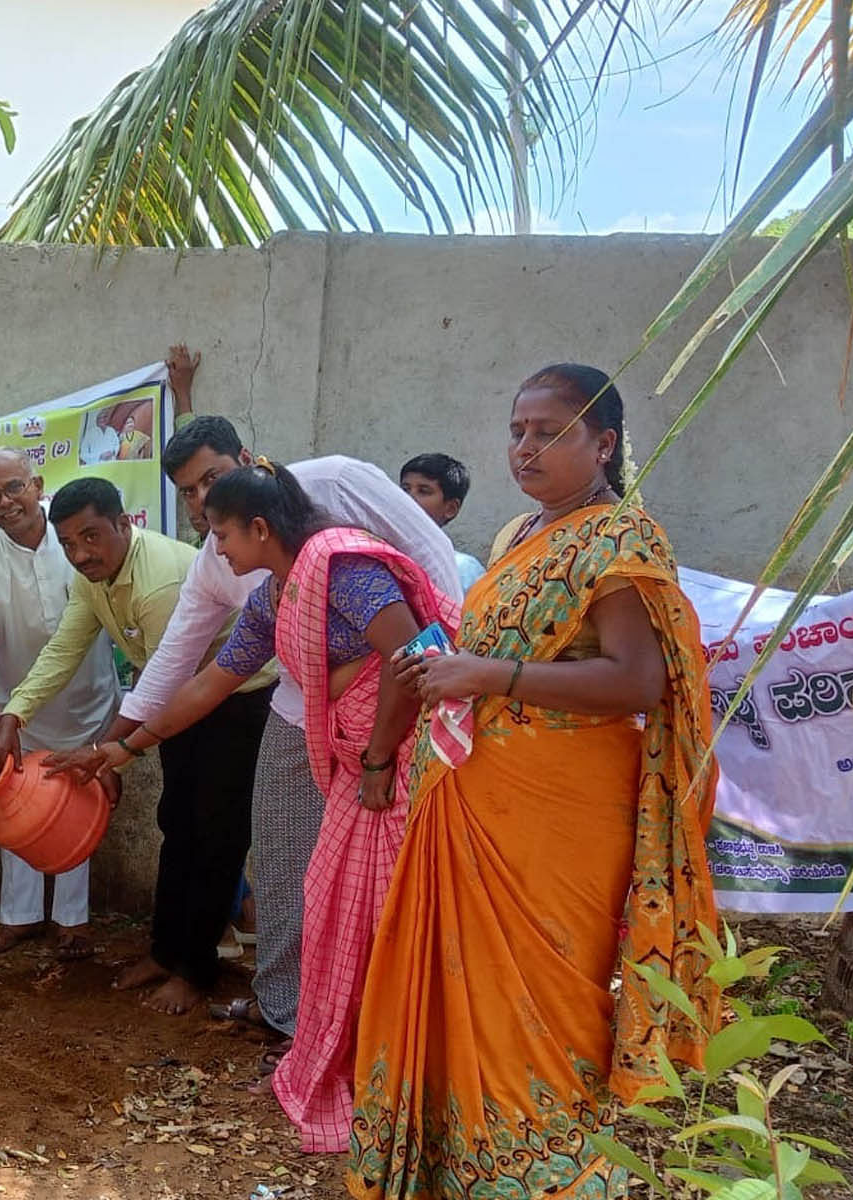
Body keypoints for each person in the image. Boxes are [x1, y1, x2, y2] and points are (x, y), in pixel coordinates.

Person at [352, 365, 720, 1198]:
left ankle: (542, 1178)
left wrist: (489, 676)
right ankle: (454, 1169)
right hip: (477, 792)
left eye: (549, 431)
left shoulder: (622, 540)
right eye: (517, 429)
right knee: (456, 993)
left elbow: (636, 682)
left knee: (543, 1009)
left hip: (557, 819)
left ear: (603, 444)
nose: (525, 447)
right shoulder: (523, 531)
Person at [52, 404, 461, 1044]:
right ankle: (289, 1011)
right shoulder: (275, 589)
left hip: (388, 737)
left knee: (370, 880)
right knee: (283, 866)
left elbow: (412, 651)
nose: (210, 545)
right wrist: (120, 748)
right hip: (309, 725)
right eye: (193, 503)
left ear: (259, 520)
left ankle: (370, 1027)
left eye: (220, 531)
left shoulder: (340, 562)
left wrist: (380, 755)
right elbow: (207, 678)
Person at [0, 477, 269, 1016]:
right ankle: (166, 952)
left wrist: (113, 750)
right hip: (182, 703)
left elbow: (168, 677)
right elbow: (64, 648)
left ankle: (195, 970)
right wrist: (13, 715)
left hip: (238, 700)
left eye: (91, 537)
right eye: (67, 543)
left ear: (124, 524)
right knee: (177, 823)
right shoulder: (93, 579)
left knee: (216, 833)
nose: (80, 553)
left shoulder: (157, 581)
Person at [0, 449, 121, 959]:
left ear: (37, 485)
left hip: (87, 699)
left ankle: (72, 921)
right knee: (16, 803)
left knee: (75, 802)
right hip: (17, 709)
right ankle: (19, 917)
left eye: (14, 488)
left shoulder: (74, 539)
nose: (5, 502)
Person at [399, 452, 487, 590]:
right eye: (405, 489)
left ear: (450, 509)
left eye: (423, 491)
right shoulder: (378, 555)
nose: (408, 498)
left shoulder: (464, 569)